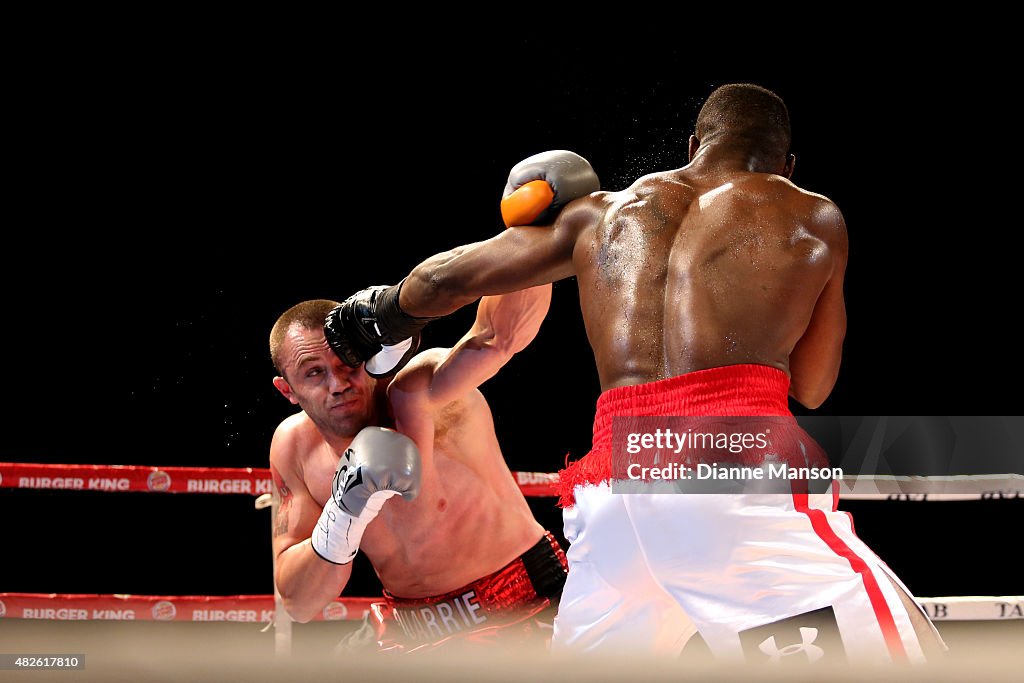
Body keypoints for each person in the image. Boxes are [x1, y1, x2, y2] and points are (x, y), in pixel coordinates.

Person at [325, 84, 946, 664]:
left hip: (616, 499)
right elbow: (812, 385)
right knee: (904, 654)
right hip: (728, 477)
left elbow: (442, 282)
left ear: (692, 148)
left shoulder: (601, 215)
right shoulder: (811, 215)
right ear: (787, 166)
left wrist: (375, 316)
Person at [268, 284, 568, 652]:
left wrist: (532, 235)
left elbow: (497, 338)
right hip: (407, 629)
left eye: (346, 362)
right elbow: (300, 603)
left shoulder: (420, 393)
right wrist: (343, 513)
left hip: (522, 605)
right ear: (288, 391)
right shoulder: (294, 447)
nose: (338, 385)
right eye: (314, 373)